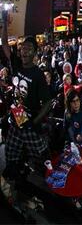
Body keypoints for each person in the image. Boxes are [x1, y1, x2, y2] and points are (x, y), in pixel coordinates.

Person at [1, 20, 53, 178]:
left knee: (38, 149)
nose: (24, 51)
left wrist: (35, 122)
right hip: (17, 114)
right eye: (23, 48)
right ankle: (15, 170)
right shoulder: (17, 65)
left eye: (29, 49)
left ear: (35, 53)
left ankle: (46, 171)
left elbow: (48, 102)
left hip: (29, 118)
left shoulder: (38, 74)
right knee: (11, 147)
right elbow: (4, 45)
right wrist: (4, 22)